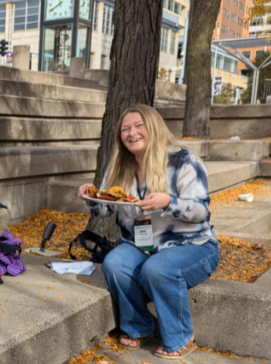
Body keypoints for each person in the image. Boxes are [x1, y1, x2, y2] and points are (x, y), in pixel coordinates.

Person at [77, 104, 219, 360]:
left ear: (153, 127)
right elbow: (104, 211)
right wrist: (91, 197)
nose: (132, 133)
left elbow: (201, 212)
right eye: (125, 129)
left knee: (158, 268)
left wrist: (168, 202)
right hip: (141, 245)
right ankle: (140, 326)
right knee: (114, 263)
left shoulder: (183, 160)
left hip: (192, 246)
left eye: (138, 126)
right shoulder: (119, 165)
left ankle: (182, 337)